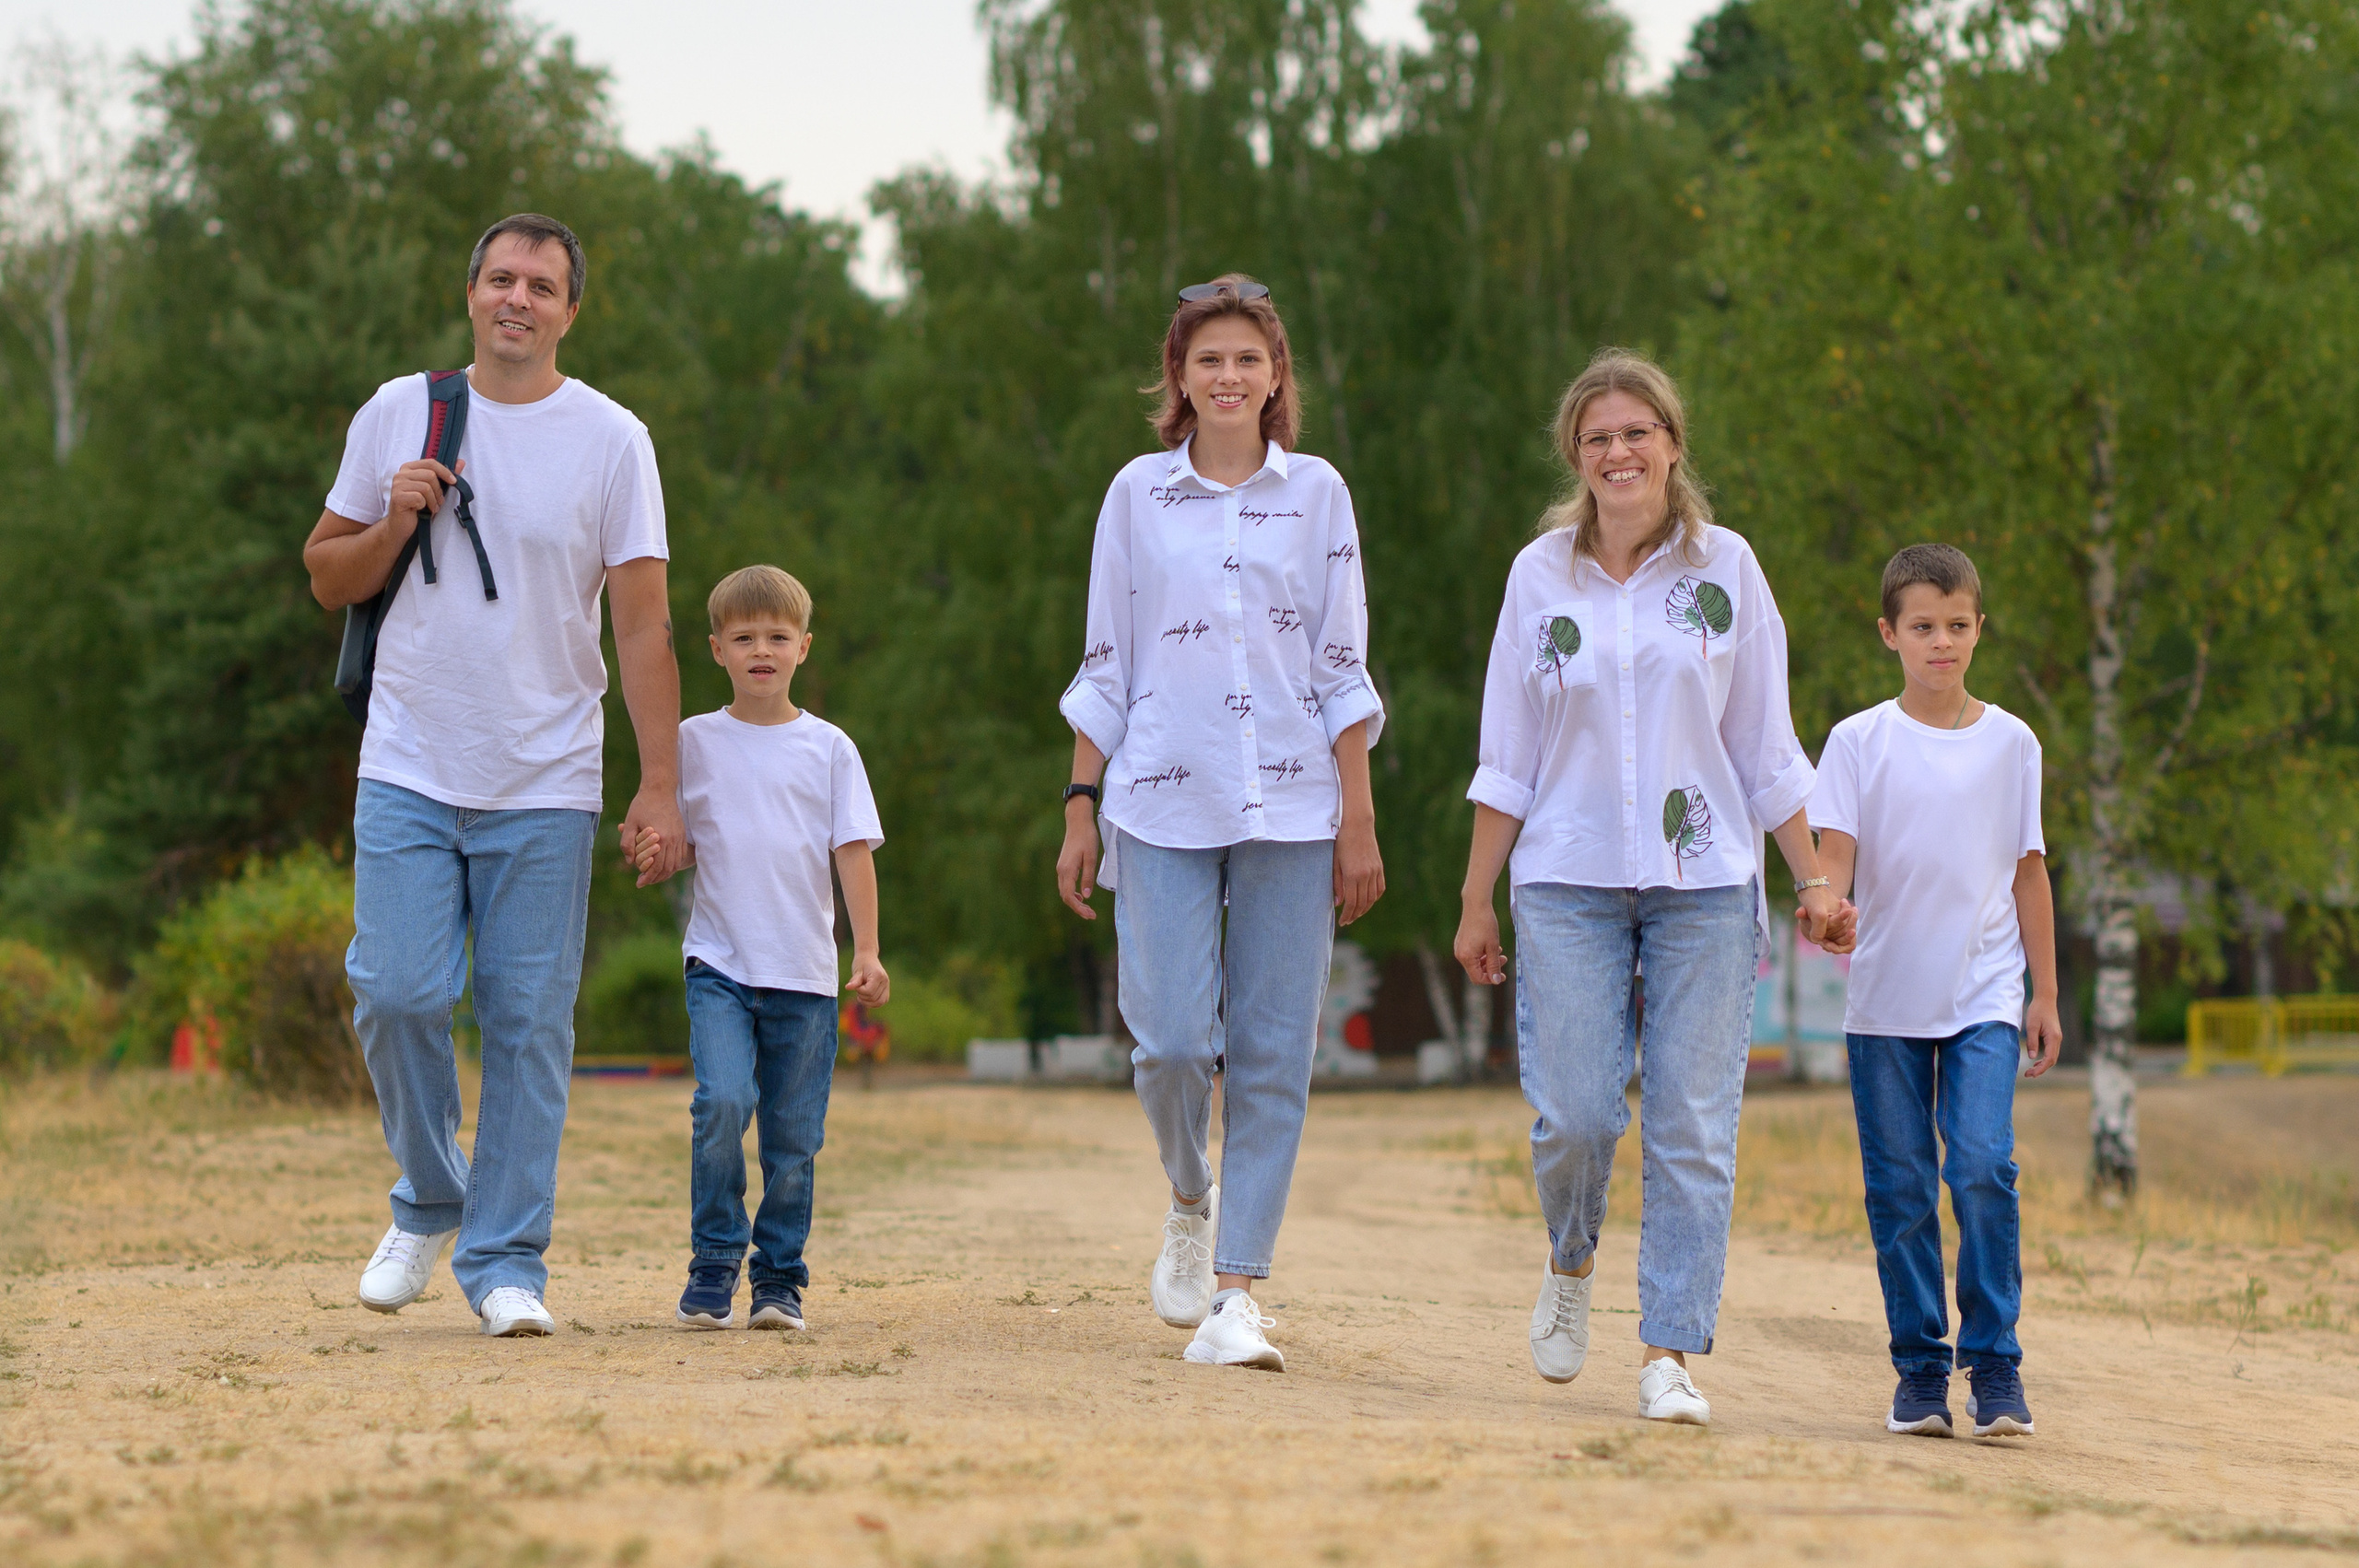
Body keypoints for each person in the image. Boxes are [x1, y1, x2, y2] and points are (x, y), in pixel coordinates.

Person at [1453, 347, 1853, 1424]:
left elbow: (1767, 748)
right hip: (1565, 879)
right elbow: (1508, 752)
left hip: (1706, 884)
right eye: (1597, 438)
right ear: (1574, 458)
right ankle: (1572, 1260)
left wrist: (1813, 874)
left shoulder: (1728, 568)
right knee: (1576, 1116)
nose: (1618, 451)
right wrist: (1474, 897)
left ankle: (1669, 1351)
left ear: (1672, 445)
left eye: (1637, 432)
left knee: (1690, 1124)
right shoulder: (1539, 576)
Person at [305, 213, 684, 1338]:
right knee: (397, 988)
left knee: (527, 1023)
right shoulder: (400, 409)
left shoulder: (613, 438)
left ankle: (507, 1259)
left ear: (572, 310)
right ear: (471, 291)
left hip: (547, 772)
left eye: (544, 285)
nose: (519, 298)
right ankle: (430, 1196)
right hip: (412, 758)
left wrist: (658, 787)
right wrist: (392, 517)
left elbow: (645, 624)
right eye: (502, 278)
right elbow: (330, 576)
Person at [1055, 275, 1384, 1373]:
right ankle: (1189, 1194)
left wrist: (1359, 821)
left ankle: (1239, 1288)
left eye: (1248, 358)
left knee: (1275, 1052)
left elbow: (1342, 664)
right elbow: (1108, 659)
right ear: (1180, 379)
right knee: (1172, 1041)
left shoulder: (1321, 495)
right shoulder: (1136, 497)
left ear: (1276, 375)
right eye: (1208, 359)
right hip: (1159, 797)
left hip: (1297, 807)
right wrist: (1078, 806)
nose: (1229, 376)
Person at [1809, 544, 2059, 1440]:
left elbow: (2029, 873)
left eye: (1957, 625)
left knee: (1983, 1165)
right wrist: (1827, 911)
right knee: (1903, 1188)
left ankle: (1993, 1366)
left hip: (1986, 993)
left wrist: (2044, 994)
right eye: (1922, 627)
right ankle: (1919, 1372)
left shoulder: (2012, 744)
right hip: (1884, 1005)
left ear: (1978, 628)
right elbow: (1831, 863)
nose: (1941, 642)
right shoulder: (1856, 742)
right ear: (1889, 634)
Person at [629, 565, 887, 1332]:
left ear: (804, 648)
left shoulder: (831, 749)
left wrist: (867, 949)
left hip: (805, 975)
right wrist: (651, 852)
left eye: (777, 636)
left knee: (792, 1140)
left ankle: (778, 1279)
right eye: (744, 638)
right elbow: (672, 839)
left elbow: (852, 852)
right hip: (720, 963)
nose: (761, 650)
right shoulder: (691, 743)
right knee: (722, 1104)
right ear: (716, 650)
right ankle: (714, 1264)